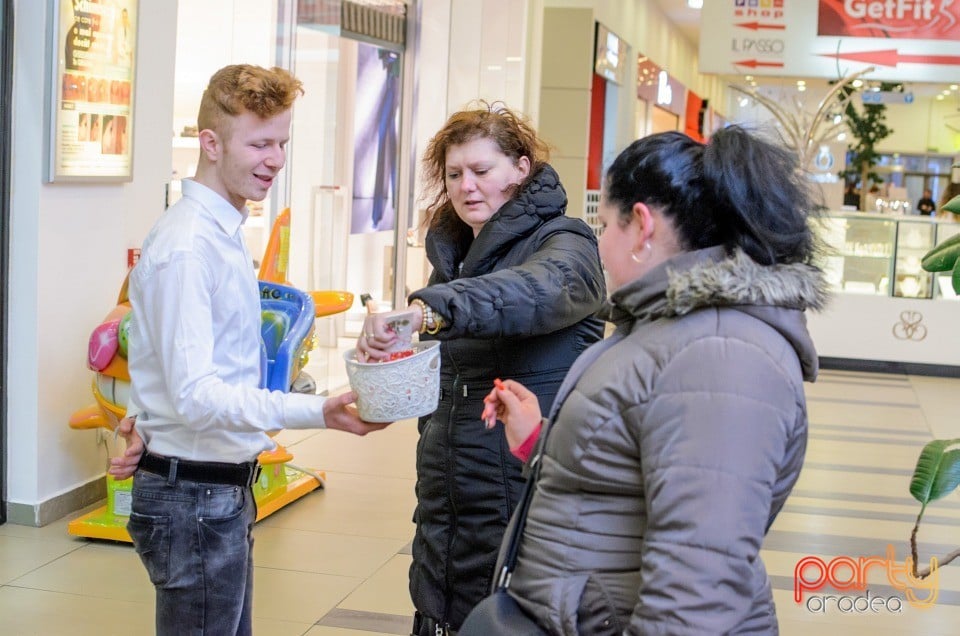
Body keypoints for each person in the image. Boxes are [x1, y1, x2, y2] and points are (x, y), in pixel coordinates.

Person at [482, 127, 828, 634]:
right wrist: (541, 441)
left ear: (641, 226)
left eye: (605, 225)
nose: (600, 244)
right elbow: (635, 481)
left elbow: (697, 586)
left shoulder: (719, 354)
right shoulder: (675, 328)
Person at [112, 64, 391, 636]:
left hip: (213, 491)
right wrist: (318, 411)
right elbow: (196, 396)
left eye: (282, 142)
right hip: (194, 498)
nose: (276, 159)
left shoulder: (223, 231)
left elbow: (179, 370)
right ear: (210, 143)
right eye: (260, 143)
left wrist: (146, 416)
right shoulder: (189, 248)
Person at [356, 103, 606, 635]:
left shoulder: (566, 243)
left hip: (521, 487)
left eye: (481, 170)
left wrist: (431, 310)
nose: (467, 186)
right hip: (449, 486)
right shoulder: (453, 256)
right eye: (454, 174)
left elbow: (529, 292)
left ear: (521, 167)